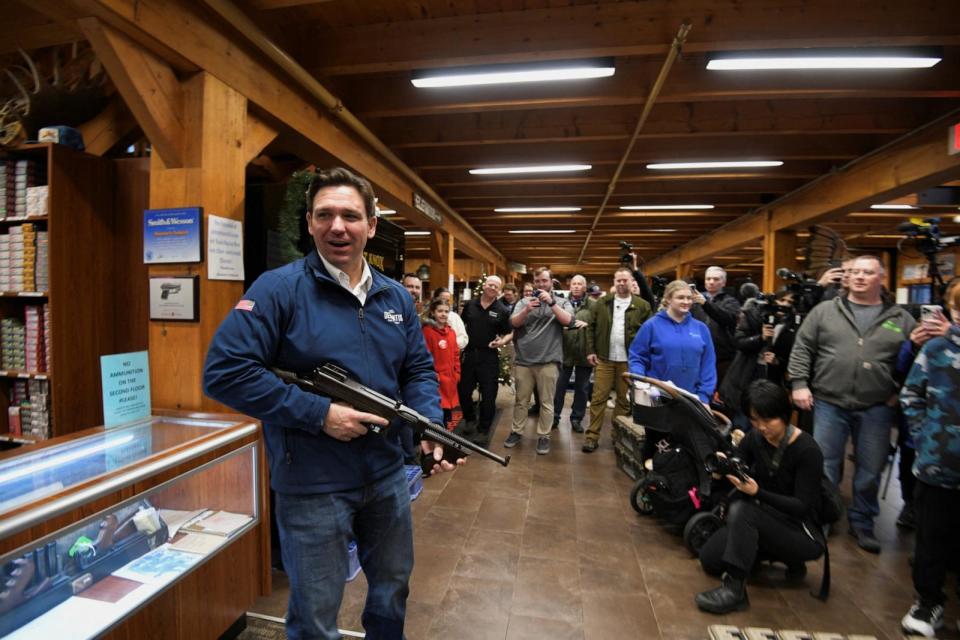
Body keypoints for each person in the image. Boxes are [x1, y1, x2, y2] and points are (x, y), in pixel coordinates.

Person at [203, 167, 460, 640]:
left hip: (386, 476)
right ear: (308, 223)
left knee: (390, 591)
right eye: (325, 215)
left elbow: (418, 370)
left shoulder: (395, 298)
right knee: (316, 614)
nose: (337, 226)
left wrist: (427, 427)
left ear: (372, 226)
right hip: (311, 483)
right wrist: (319, 414)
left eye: (350, 215)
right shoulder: (277, 290)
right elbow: (224, 373)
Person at [788, 255, 916, 553]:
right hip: (830, 400)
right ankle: (823, 515)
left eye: (868, 272)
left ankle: (862, 522)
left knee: (870, 468)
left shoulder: (900, 318)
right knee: (825, 464)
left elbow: (914, 359)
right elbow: (803, 347)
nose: (859, 277)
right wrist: (799, 384)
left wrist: (899, 389)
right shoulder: (824, 311)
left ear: (880, 278)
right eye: (855, 272)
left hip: (876, 406)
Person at [695, 380, 826, 614]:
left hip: (802, 532)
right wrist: (721, 471)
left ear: (784, 415)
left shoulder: (808, 450)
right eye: (755, 420)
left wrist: (758, 493)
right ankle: (774, 554)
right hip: (765, 521)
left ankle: (735, 590)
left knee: (744, 511)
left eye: (767, 420)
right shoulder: (755, 438)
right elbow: (738, 463)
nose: (761, 427)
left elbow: (802, 507)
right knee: (710, 558)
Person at [899, 283, 960, 638]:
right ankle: (928, 601)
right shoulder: (936, 350)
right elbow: (911, 395)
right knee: (931, 538)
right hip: (938, 465)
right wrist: (927, 439)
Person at [505, 267, 575, 455]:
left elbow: (569, 321)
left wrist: (552, 303)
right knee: (521, 400)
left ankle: (544, 436)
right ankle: (516, 431)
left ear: (551, 282)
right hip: (524, 360)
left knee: (546, 401)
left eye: (544, 281)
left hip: (549, 360)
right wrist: (527, 309)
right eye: (538, 281)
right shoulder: (523, 302)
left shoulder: (561, 301)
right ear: (534, 283)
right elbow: (513, 323)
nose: (541, 284)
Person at [583, 267, 652, 452]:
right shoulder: (603, 303)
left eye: (625, 280)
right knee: (598, 398)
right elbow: (590, 327)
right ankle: (592, 436)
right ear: (614, 282)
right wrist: (591, 350)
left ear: (631, 282)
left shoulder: (643, 306)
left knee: (623, 400)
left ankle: (617, 436)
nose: (621, 283)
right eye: (618, 280)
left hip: (629, 362)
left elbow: (649, 335)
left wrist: (643, 359)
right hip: (604, 359)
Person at [628, 280, 716, 404]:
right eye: (680, 298)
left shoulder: (701, 329)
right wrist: (640, 382)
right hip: (658, 397)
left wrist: (704, 396)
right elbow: (637, 357)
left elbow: (708, 364)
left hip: (692, 399)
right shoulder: (651, 326)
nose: (686, 302)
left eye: (689, 298)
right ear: (668, 299)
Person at [719, 290, 796, 429]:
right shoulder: (752, 315)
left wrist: (777, 361)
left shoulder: (791, 325)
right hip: (744, 378)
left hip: (770, 381)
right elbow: (739, 342)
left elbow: (791, 357)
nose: (785, 305)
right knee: (741, 427)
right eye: (782, 300)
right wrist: (760, 338)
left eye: (790, 302)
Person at [458, 275, 512, 437]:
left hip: (489, 357)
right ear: (484, 286)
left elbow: (509, 333)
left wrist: (501, 342)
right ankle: (469, 419)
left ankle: (484, 429)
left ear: (499, 291)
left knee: (489, 395)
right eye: (490, 284)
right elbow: (461, 326)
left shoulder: (502, 310)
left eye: (496, 286)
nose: (492, 288)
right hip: (468, 355)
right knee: (463, 391)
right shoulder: (470, 306)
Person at [553, 274, 594, 433]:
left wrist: (588, 325)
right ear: (570, 287)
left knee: (582, 389)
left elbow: (597, 326)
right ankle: (555, 417)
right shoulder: (561, 303)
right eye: (574, 284)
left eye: (580, 284)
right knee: (559, 386)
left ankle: (577, 418)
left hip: (585, 352)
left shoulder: (593, 305)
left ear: (585, 287)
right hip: (564, 351)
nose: (576, 286)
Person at [691, 266, 741, 385]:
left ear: (723, 282)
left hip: (722, 358)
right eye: (708, 279)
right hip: (698, 354)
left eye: (716, 279)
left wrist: (705, 304)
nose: (711, 282)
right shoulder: (695, 301)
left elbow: (726, 319)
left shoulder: (731, 301)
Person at [422, 297, 461, 428]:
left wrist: (457, 372)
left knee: (447, 415)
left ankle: (442, 442)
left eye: (446, 311)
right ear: (433, 312)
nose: (443, 314)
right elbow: (424, 356)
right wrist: (433, 375)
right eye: (440, 311)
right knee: (436, 416)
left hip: (450, 380)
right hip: (436, 381)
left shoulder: (451, 333)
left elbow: (456, 354)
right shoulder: (427, 332)